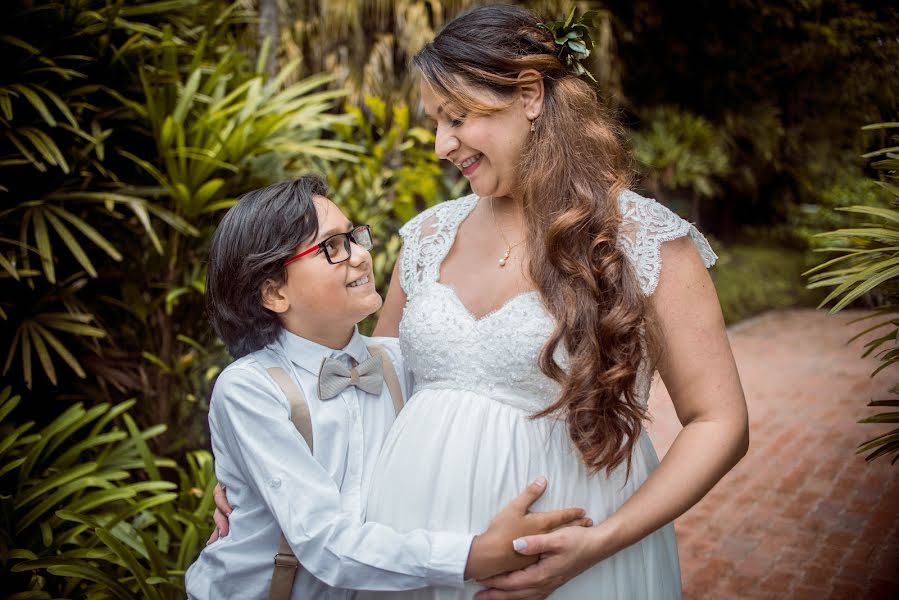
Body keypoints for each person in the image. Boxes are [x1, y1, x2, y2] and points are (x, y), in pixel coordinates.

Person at [213, 5, 749, 598]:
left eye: (458, 117)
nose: (442, 144)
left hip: (578, 541)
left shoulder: (645, 241)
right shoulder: (426, 238)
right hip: (417, 543)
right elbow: (373, 388)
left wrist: (600, 542)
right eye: (436, 123)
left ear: (529, 95)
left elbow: (720, 421)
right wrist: (270, 487)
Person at [184, 176, 591, 599]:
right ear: (274, 293)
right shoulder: (249, 390)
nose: (361, 256)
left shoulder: (400, 363)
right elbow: (325, 543)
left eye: (354, 238)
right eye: (332, 247)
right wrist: (475, 555)